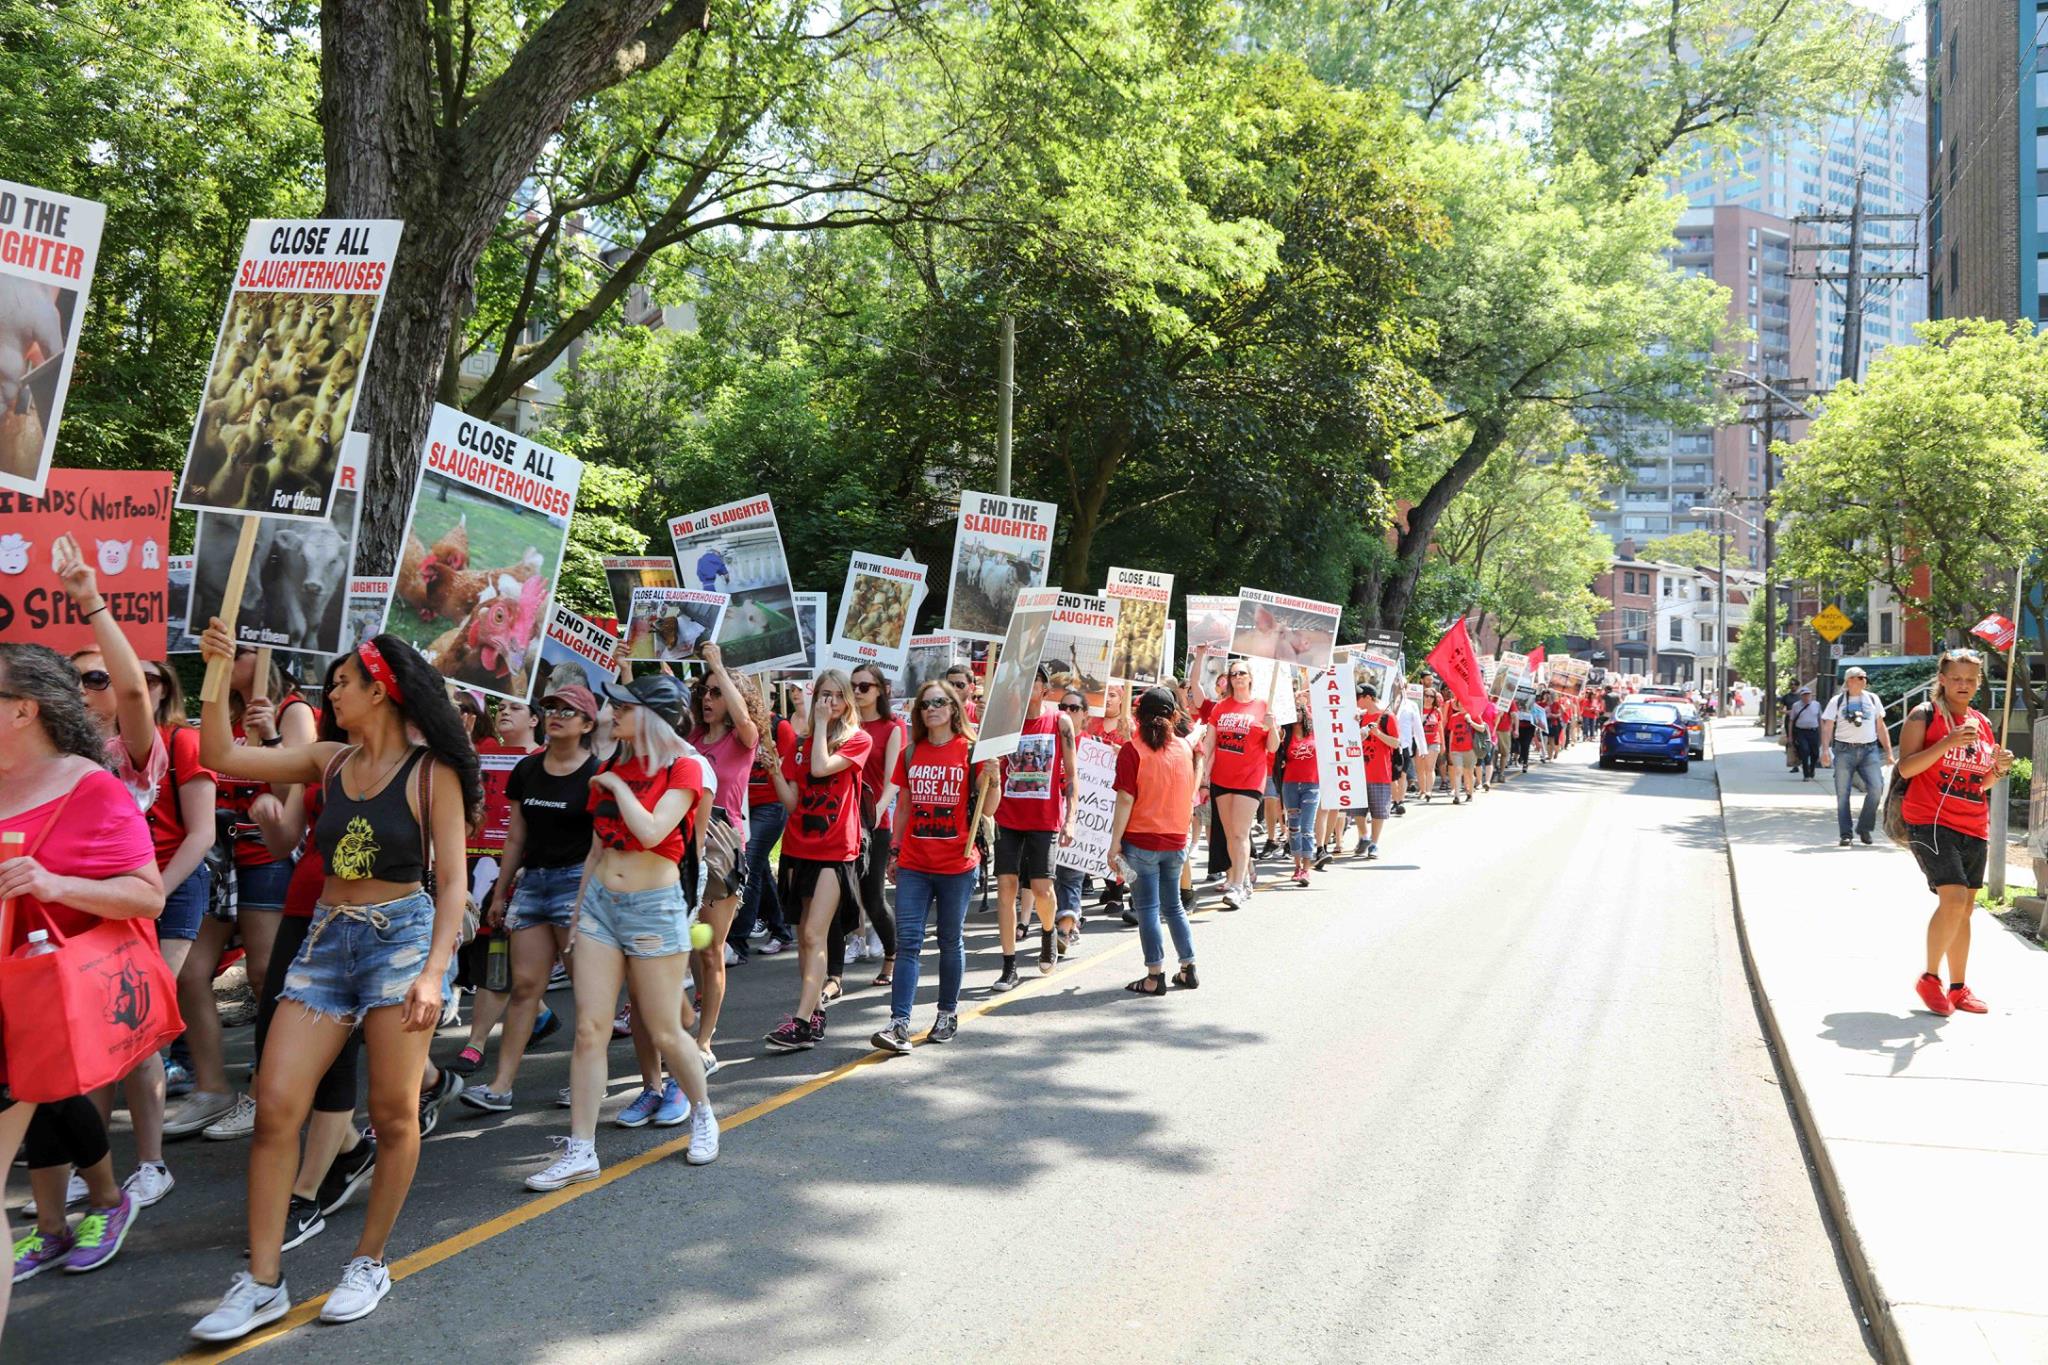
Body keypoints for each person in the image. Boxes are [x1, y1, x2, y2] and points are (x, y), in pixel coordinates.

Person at [190, 627, 478, 1340]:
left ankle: (368, 1260)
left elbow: (453, 884)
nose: (332, 692)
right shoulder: (327, 759)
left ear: (380, 689)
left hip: (401, 941)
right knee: (275, 1108)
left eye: (344, 681)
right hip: (324, 940)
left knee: (392, 1112)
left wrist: (435, 971)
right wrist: (217, 668)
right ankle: (262, 1282)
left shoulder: (430, 772)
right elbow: (218, 754)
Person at [1, 644, 166, 1287]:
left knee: (47, 1094)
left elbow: (147, 895)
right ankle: (52, 1226)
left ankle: (102, 1201)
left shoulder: (90, 785)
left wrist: (51, 883)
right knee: (40, 1098)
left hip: (54, 978)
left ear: (23, 710)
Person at [54, 535, 206, 1211]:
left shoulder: (137, 749)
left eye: (100, 678)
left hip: (138, 907)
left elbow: (133, 698)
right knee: (79, 1047)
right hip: (69, 913)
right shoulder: (46, 754)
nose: (92, 688)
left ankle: (151, 1164)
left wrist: (91, 602)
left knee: (136, 1036)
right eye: (76, 677)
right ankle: (81, 1179)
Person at [525, 673, 717, 1190]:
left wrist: (612, 786)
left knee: (663, 1030)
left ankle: (701, 1112)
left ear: (650, 715)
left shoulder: (685, 767)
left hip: (655, 908)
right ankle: (582, 1149)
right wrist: (579, 909)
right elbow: (597, 848)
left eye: (623, 708)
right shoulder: (615, 762)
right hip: (600, 909)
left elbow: (653, 831)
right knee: (590, 1029)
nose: (612, 715)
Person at [167, 646, 317, 1143]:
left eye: (242, 651)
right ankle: (210, 1088)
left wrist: (271, 736)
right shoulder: (217, 709)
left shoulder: (292, 709)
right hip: (215, 852)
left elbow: (299, 785)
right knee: (190, 970)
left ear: (266, 657)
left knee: (264, 973)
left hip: (267, 853)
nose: (226, 658)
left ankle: (268, 1088)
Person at [462, 686, 600, 1113]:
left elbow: (601, 845)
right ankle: (501, 1086)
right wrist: (500, 892)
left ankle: (588, 1082)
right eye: (551, 708)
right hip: (533, 884)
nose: (556, 714)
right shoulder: (527, 769)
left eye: (568, 710)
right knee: (524, 988)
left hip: (576, 885)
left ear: (587, 724)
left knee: (587, 992)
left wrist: (584, 901)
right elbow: (516, 836)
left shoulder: (597, 774)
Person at [1895, 649, 2010, 1018]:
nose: (1964, 685)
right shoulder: (1923, 716)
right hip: (1930, 819)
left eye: (1971, 680)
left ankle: (1959, 988)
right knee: (1954, 899)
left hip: (1973, 822)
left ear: (1978, 683)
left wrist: (2000, 768)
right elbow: (1907, 768)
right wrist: (1946, 743)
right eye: (1957, 678)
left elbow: (1981, 783)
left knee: (1966, 909)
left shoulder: (1981, 723)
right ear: (1942, 680)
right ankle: (1930, 978)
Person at [871, 680, 984, 1053]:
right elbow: (903, 806)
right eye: (925, 704)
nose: (932, 708)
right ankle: (899, 1023)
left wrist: (994, 777)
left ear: (953, 708)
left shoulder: (971, 751)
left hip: (958, 863)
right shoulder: (910, 753)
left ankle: (947, 1014)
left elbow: (990, 806)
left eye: (940, 702)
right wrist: (894, 852)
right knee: (909, 942)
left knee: (950, 939)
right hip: (915, 864)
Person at [764, 671, 872, 1051]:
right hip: (798, 848)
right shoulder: (801, 743)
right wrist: (775, 770)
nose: (828, 702)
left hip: (835, 850)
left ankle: (801, 1019)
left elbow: (822, 768)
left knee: (814, 933)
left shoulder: (859, 739)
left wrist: (822, 727)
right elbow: (792, 803)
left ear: (847, 702)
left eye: (836, 696)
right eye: (822, 696)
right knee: (804, 940)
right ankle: (812, 1014)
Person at [449, 699, 545, 1077]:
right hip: (473, 861)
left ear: (535, 719)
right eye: (501, 708)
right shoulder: (484, 754)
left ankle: (475, 1043)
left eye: (516, 708)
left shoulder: (546, 758)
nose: (504, 712)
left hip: (519, 869)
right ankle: (543, 1015)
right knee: (476, 952)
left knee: (496, 953)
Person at [687, 646, 764, 1072]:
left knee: (713, 949)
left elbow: (749, 726)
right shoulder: (692, 740)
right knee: (694, 944)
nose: (708, 698)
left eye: (717, 692)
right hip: (684, 842)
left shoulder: (741, 740)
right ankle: (697, 1002)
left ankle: (704, 1042)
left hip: (720, 848)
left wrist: (717, 665)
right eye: (704, 691)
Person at [1110, 686, 1201, 996]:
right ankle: (1188, 967)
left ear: (1138, 715)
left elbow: (1125, 800)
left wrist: (1114, 843)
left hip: (1141, 841)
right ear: (1174, 715)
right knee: (1173, 906)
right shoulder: (1184, 749)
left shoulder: (1132, 750)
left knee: (1148, 908)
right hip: (1176, 841)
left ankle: (1154, 975)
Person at [988, 663, 1076, 985]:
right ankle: (1009, 965)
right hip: (1008, 818)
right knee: (1007, 887)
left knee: (1042, 889)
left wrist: (1071, 819)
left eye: (1033, 681)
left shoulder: (1060, 722)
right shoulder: (1003, 726)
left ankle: (1049, 932)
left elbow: (1072, 776)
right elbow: (991, 773)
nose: (1025, 687)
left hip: (1043, 819)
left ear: (1045, 689)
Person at [839, 662, 903, 990]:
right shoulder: (845, 725)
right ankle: (834, 971)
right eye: (854, 686)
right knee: (840, 894)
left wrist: (878, 809)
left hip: (875, 822)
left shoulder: (893, 727)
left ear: (881, 690)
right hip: (841, 822)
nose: (858, 692)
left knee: (873, 897)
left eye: (865, 686)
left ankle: (892, 955)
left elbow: (894, 778)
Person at [1201, 660, 1283, 909]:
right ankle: (1243, 877)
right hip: (1222, 777)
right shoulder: (1220, 708)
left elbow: (1272, 748)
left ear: (1250, 678)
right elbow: (1210, 744)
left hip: (1250, 778)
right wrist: (1203, 775)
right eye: (1233, 673)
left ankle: (1237, 886)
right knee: (1229, 833)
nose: (1237, 677)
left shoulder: (1262, 706)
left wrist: (1272, 728)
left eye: (1242, 673)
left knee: (1240, 832)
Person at [731, 693, 797, 959]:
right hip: (743, 807)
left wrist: (774, 759)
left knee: (748, 864)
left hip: (771, 805)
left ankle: (737, 942)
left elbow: (791, 766)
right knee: (759, 870)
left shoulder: (779, 727)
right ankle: (781, 930)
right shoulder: (734, 728)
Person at [1821, 666, 1893, 847]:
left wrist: (1889, 752)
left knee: (1877, 788)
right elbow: (1828, 726)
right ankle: (1846, 834)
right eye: (1861, 677)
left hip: (1869, 750)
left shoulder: (1873, 699)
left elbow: (1880, 726)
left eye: (1865, 677)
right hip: (1844, 750)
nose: (1864, 680)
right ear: (1850, 680)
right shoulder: (1837, 701)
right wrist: (1824, 750)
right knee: (1842, 794)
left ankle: (1864, 828)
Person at [1277, 691, 1319, 887]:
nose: (1296, 714)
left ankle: (1307, 869)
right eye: (1292, 711)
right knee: (1293, 828)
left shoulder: (1315, 732)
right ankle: (1296, 866)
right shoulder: (1284, 735)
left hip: (1312, 785)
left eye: (1299, 710)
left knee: (1307, 829)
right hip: (1290, 784)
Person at [1353, 685, 1400, 859]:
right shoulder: (1358, 717)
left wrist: (1377, 733)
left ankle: (1374, 843)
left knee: (1378, 811)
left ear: (1368, 697)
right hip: (1358, 771)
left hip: (1380, 771)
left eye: (1359, 697)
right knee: (1357, 810)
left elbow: (1396, 743)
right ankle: (1364, 836)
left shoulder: (1388, 717)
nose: (1356, 701)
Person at [1440, 693, 1478, 804]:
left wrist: (1470, 721)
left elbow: (1482, 729)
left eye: (1464, 703)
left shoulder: (1474, 715)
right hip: (1457, 749)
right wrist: (1450, 749)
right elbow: (1451, 733)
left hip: (1470, 749)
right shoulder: (1453, 717)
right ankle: (1456, 796)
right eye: (1459, 703)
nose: (1462, 705)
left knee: (1469, 773)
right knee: (1458, 771)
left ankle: (1469, 793)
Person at [1787, 686, 1823, 780]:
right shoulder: (1796, 705)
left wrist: (1823, 734)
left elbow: (1820, 720)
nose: (1806, 697)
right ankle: (1806, 774)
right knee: (1804, 750)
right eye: (1804, 695)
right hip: (1801, 732)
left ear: (1811, 695)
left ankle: (1812, 768)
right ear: (1801, 696)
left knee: (1815, 753)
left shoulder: (1817, 705)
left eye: (1808, 695)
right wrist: (1790, 736)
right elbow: (1791, 721)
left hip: (1813, 731)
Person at [1415, 685, 1442, 803]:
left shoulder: (1437, 711)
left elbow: (1440, 728)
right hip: (1420, 742)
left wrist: (1443, 744)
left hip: (1434, 741)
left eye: (1431, 696)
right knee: (1420, 768)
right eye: (1426, 696)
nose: (1429, 698)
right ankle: (1422, 790)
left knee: (1429, 768)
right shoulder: (1417, 709)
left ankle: (1429, 791)